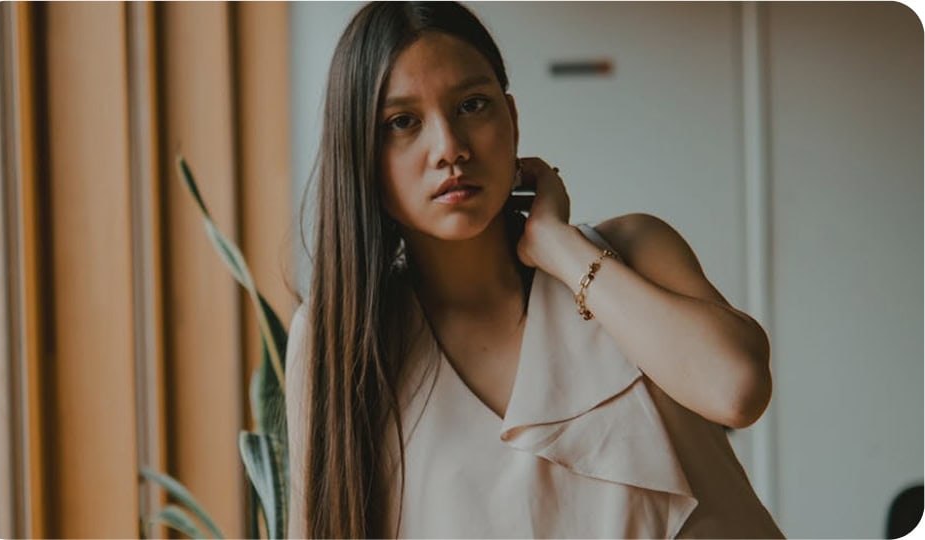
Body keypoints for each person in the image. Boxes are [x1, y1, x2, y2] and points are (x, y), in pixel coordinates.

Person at [285, 2, 784, 538]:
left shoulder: (634, 248)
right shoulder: (339, 340)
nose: (449, 147)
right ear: (361, 153)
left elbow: (738, 389)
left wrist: (558, 247)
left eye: (472, 105)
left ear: (512, 119)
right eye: (403, 122)